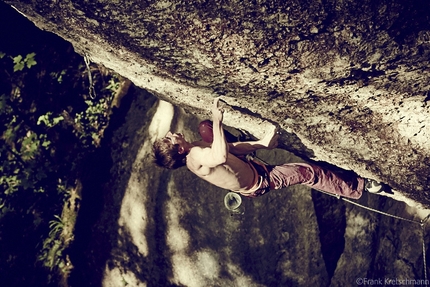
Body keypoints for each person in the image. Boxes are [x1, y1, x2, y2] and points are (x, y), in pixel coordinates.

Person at [153, 98, 387, 199]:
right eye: (172, 139)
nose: (173, 134)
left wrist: (261, 144)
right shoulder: (195, 156)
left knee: (204, 128)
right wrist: (218, 119)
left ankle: (252, 147)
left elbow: (231, 150)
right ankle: (360, 187)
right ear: (179, 150)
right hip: (261, 180)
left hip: (249, 167)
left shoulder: (194, 148)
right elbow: (222, 154)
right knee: (307, 173)